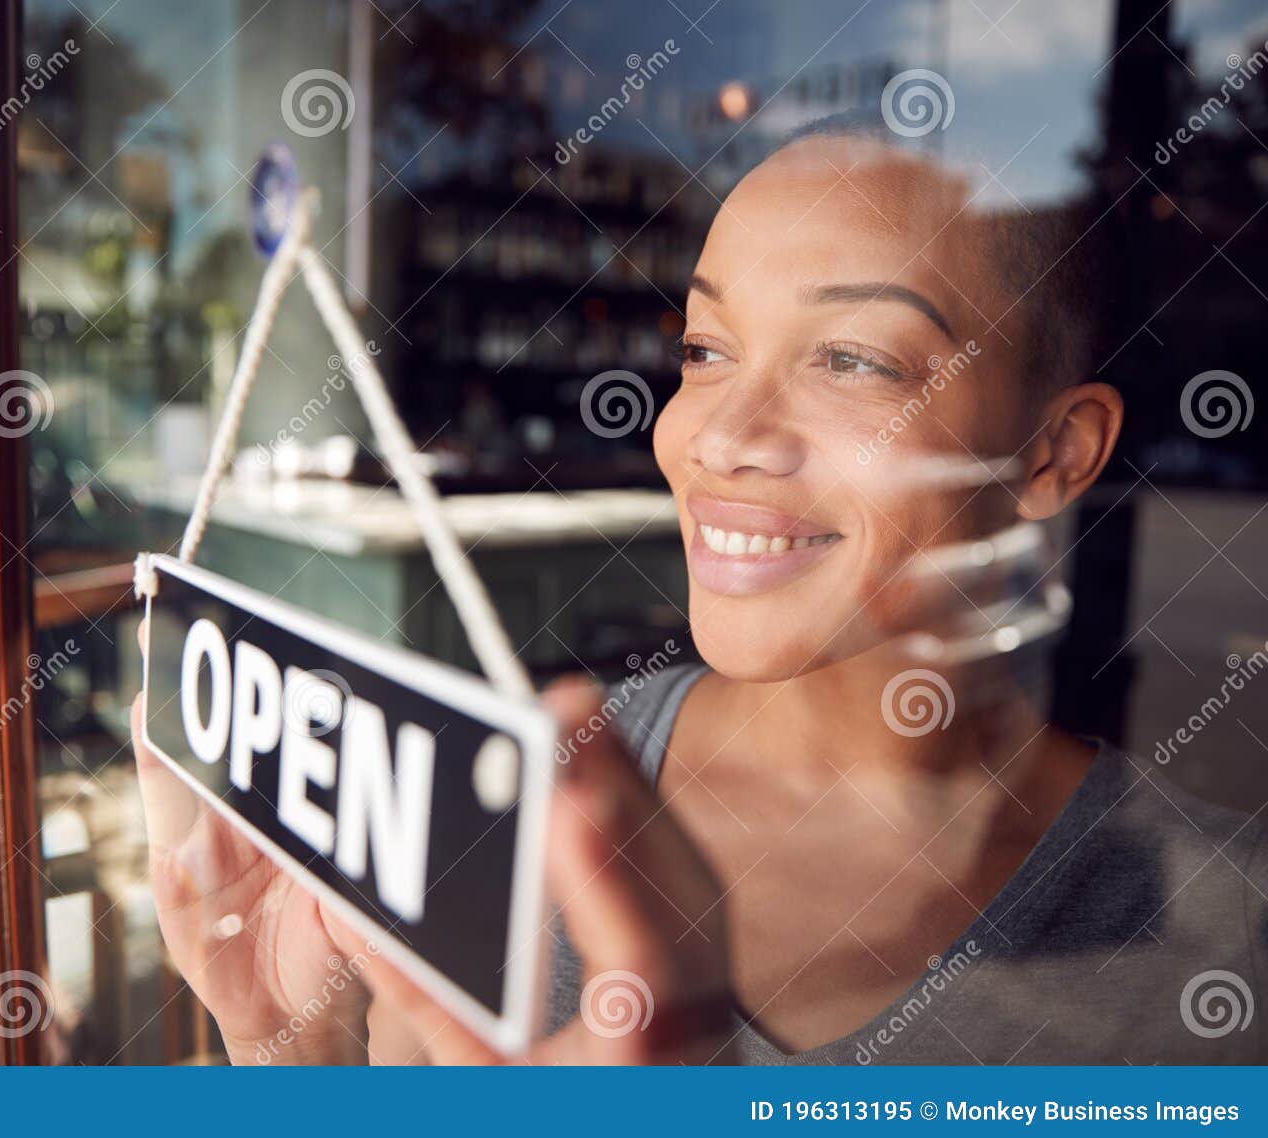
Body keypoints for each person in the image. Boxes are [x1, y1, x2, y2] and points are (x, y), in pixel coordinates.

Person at [132, 118, 1268, 1065]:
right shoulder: (512, 799)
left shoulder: (1226, 940)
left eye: (853, 360)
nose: (717, 437)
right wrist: (293, 1047)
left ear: (1054, 452)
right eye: (706, 348)